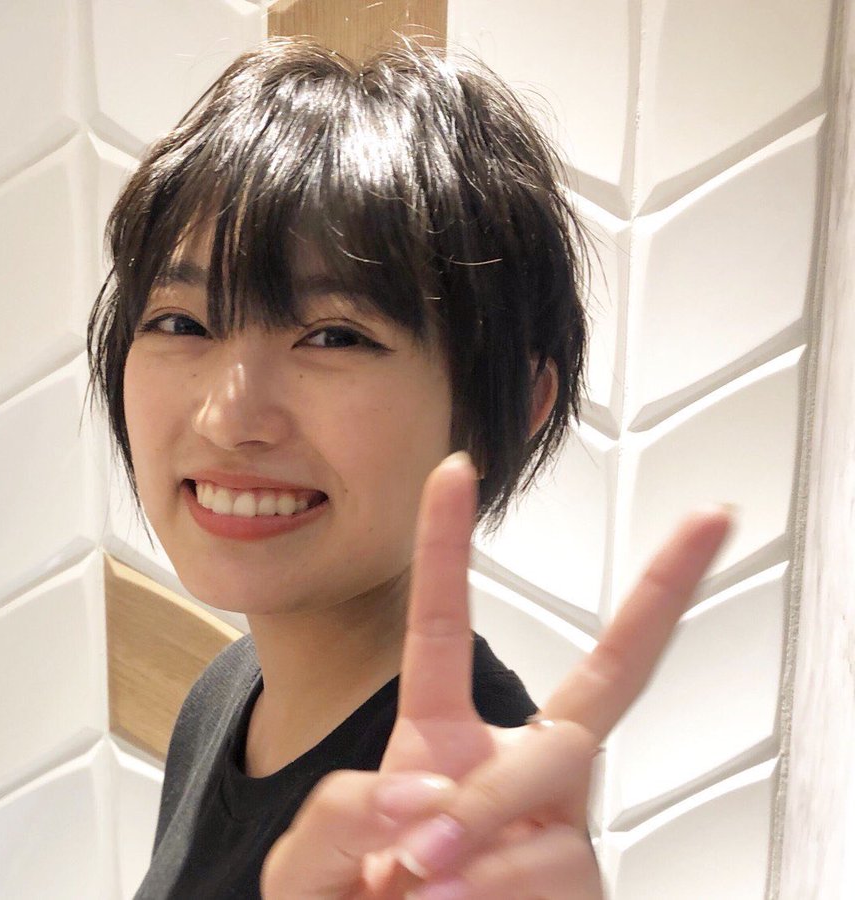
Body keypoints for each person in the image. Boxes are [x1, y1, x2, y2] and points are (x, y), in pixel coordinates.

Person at [86, 36, 733, 899]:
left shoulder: (456, 829)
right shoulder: (227, 694)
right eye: (181, 323)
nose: (227, 418)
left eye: (334, 336)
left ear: (514, 403)